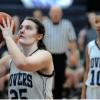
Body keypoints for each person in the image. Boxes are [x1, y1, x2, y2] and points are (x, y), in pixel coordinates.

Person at [0, 17, 54, 99]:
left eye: (28, 28)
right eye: (21, 27)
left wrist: (8, 37)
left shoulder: (45, 55)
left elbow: (23, 63)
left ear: (39, 36)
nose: (21, 30)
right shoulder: (10, 59)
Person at [42, 5, 76, 98]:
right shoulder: (44, 24)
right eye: (53, 12)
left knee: (59, 79)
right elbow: (38, 40)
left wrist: (73, 54)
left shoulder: (67, 24)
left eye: (58, 13)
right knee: (46, 78)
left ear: (61, 14)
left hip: (61, 56)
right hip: (47, 56)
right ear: (50, 13)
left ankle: (58, 97)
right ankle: (45, 97)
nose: (55, 15)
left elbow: (72, 40)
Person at [81, 15, 100, 99]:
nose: (98, 25)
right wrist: (83, 94)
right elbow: (87, 71)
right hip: (91, 89)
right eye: (96, 22)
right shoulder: (90, 45)